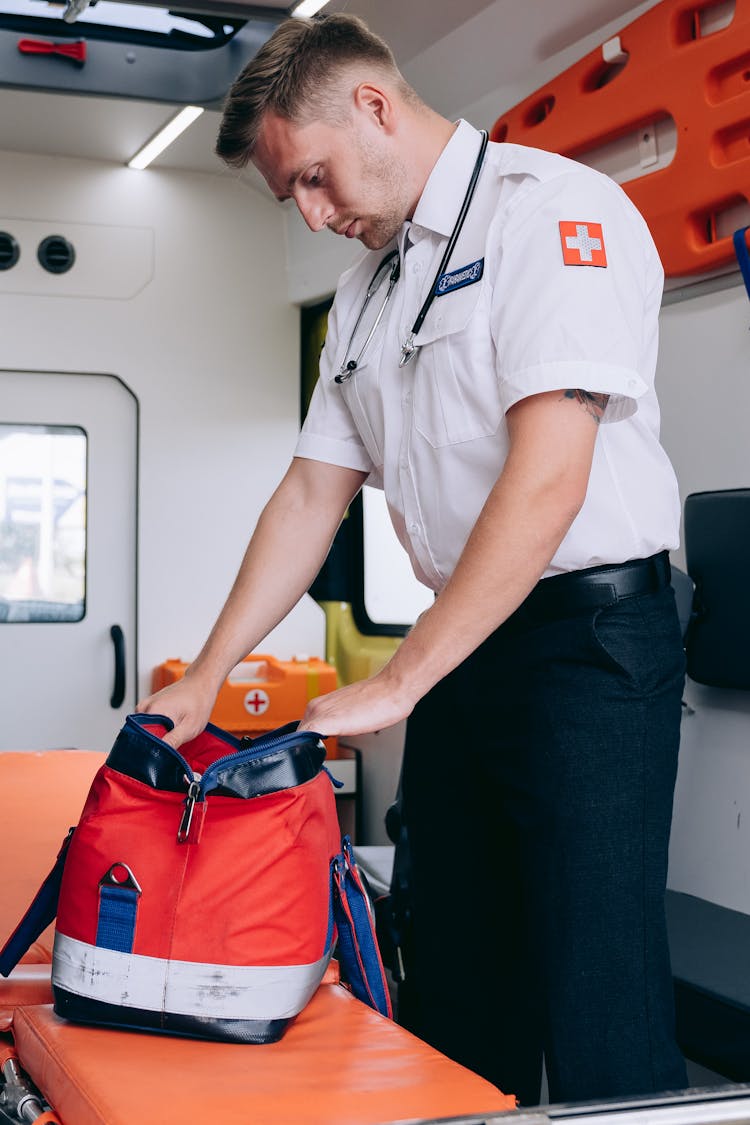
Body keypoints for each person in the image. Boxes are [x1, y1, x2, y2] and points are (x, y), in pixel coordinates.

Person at [137, 13, 689, 1106]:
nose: (312, 212)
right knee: (454, 964)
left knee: (596, 985)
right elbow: (308, 497)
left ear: (377, 108)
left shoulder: (556, 214)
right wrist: (206, 673)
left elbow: (549, 481)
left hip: (589, 642)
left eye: (314, 179)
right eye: (291, 194)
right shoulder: (364, 294)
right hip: (463, 644)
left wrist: (400, 677)